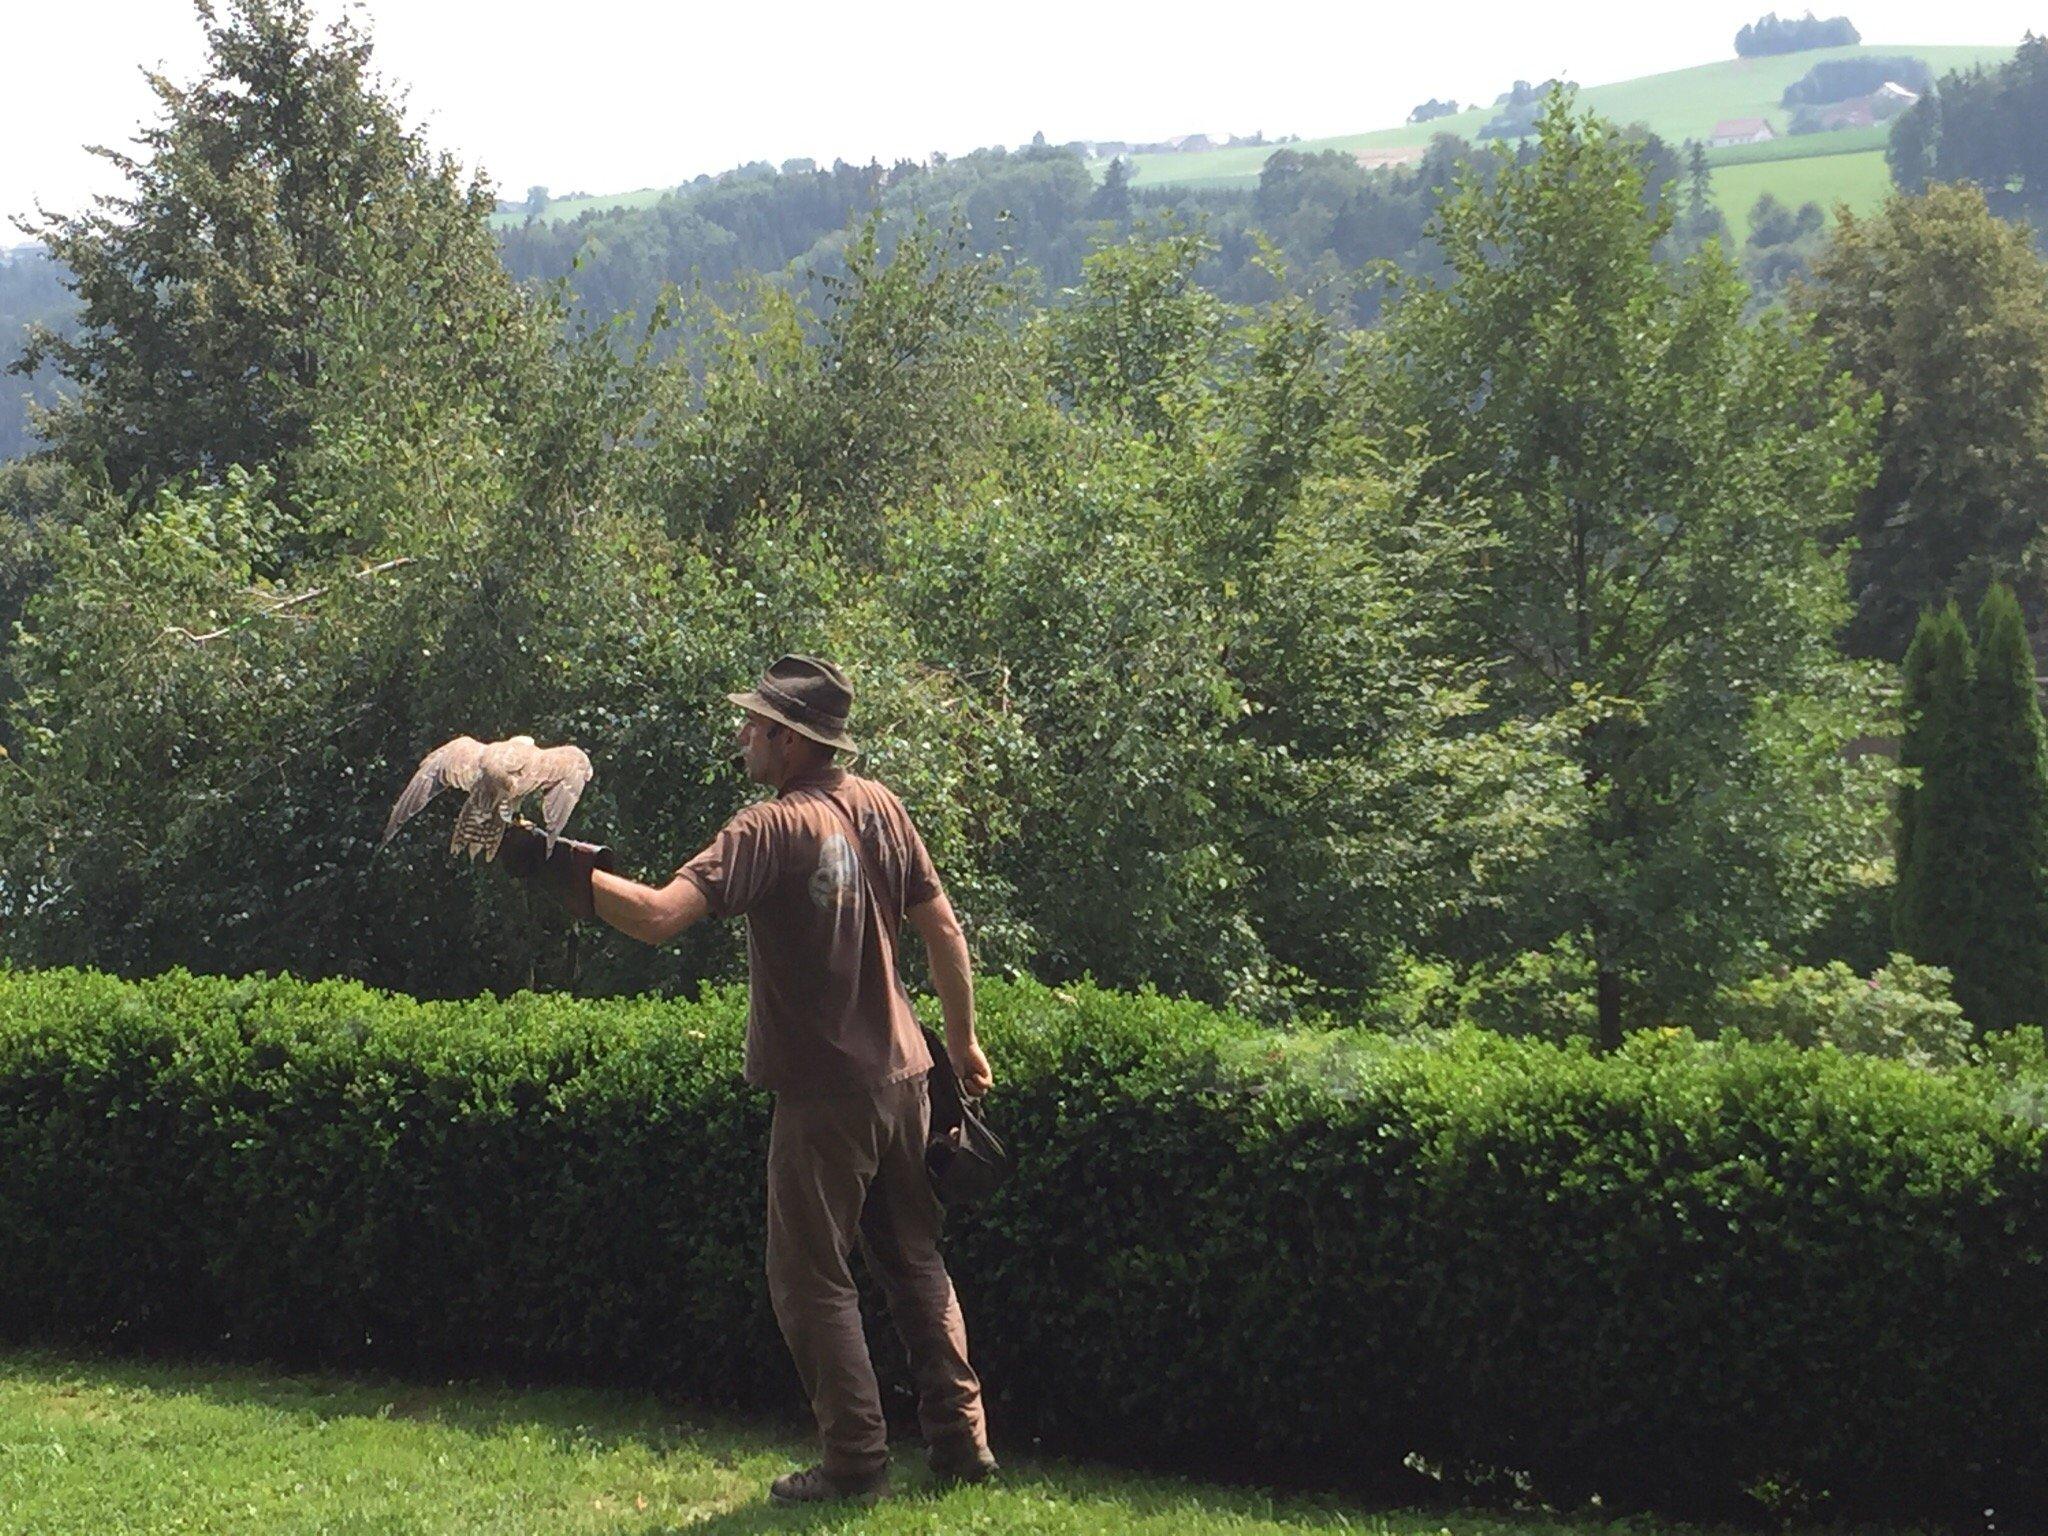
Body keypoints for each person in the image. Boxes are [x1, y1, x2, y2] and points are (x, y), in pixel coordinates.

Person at [501, 654, 996, 1508]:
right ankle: (963, 1446)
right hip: (908, 1077)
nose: (741, 736)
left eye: (753, 724)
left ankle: (854, 1465)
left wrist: (549, 866)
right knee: (915, 1261)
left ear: (788, 740)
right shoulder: (880, 806)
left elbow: (657, 918)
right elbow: (944, 929)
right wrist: (961, 1042)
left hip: (824, 1094)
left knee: (811, 1279)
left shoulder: (767, 829)